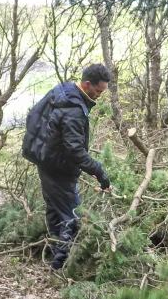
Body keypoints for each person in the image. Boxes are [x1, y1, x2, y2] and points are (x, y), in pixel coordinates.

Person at [22, 63, 111, 270]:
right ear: (87, 84)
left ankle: (55, 253)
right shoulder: (73, 110)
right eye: (98, 91)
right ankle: (61, 266)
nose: (99, 95)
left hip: (46, 161)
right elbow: (76, 152)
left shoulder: (64, 91)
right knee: (73, 219)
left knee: (55, 209)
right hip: (59, 168)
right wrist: (99, 172)